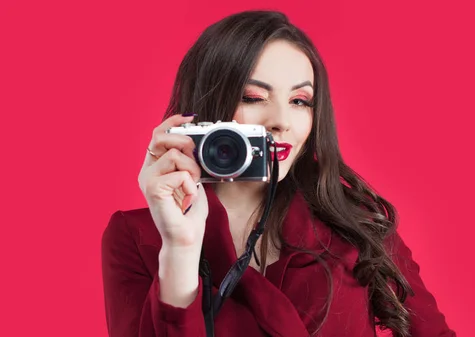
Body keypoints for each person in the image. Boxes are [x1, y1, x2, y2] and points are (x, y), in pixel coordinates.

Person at [101, 10, 456, 337]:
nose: (282, 122)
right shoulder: (136, 236)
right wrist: (180, 248)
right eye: (254, 97)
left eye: (300, 101)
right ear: (206, 109)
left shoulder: (358, 222)